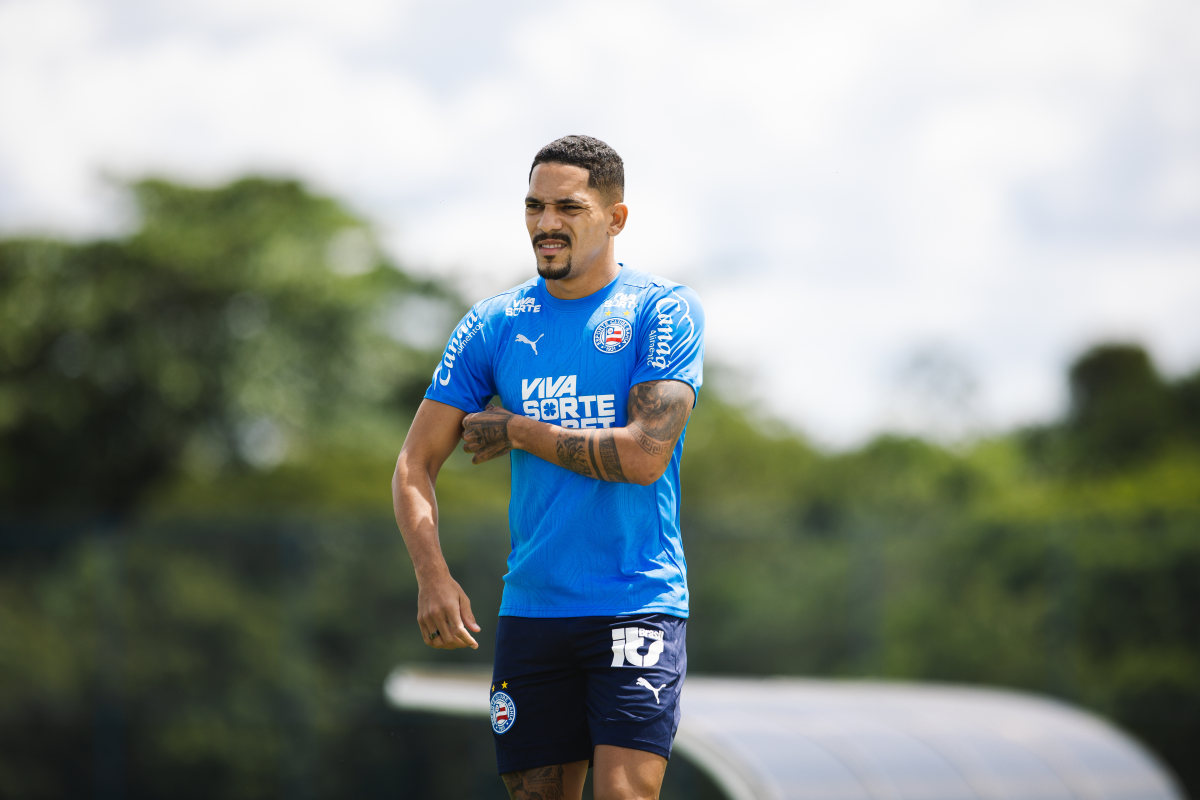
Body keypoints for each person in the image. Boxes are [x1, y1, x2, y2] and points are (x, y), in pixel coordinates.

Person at [392, 134, 705, 800]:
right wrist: (432, 576)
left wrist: (519, 431)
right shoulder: (493, 323)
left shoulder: (662, 309)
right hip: (533, 611)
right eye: (535, 206)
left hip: (636, 602)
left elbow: (643, 457)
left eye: (568, 207)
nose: (546, 224)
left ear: (615, 218)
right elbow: (414, 462)